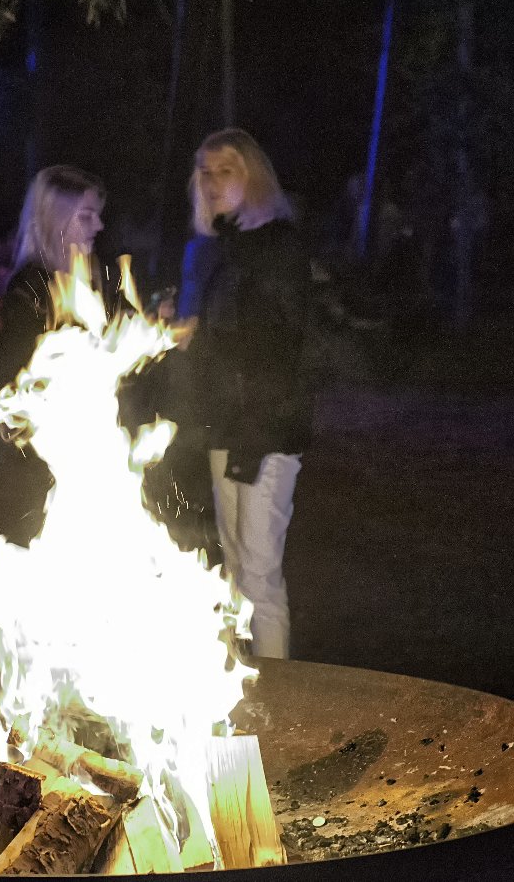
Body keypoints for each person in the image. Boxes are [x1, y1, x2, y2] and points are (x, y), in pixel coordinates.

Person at [175, 128, 311, 660]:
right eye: (204, 171)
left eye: (225, 170)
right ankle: (234, 692)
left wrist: (205, 333)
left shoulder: (280, 245)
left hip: (269, 424)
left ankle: (278, 700)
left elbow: (279, 340)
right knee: (232, 568)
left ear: (252, 176)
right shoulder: (216, 249)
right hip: (223, 421)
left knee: (259, 570)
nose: (211, 182)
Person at [0, 165, 112, 382]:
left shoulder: (95, 278)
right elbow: (26, 373)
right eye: (87, 217)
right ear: (55, 222)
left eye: (97, 215)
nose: (99, 225)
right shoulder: (30, 287)